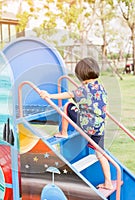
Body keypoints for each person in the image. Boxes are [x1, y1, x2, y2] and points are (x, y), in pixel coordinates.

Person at [39, 57, 113, 190]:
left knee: (68, 106)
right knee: (101, 155)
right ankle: (108, 182)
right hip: (100, 128)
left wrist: (49, 96)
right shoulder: (101, 87)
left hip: (87, 127)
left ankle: (63, 132)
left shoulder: (84, 89)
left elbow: (68, 94)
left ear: (81, 75)